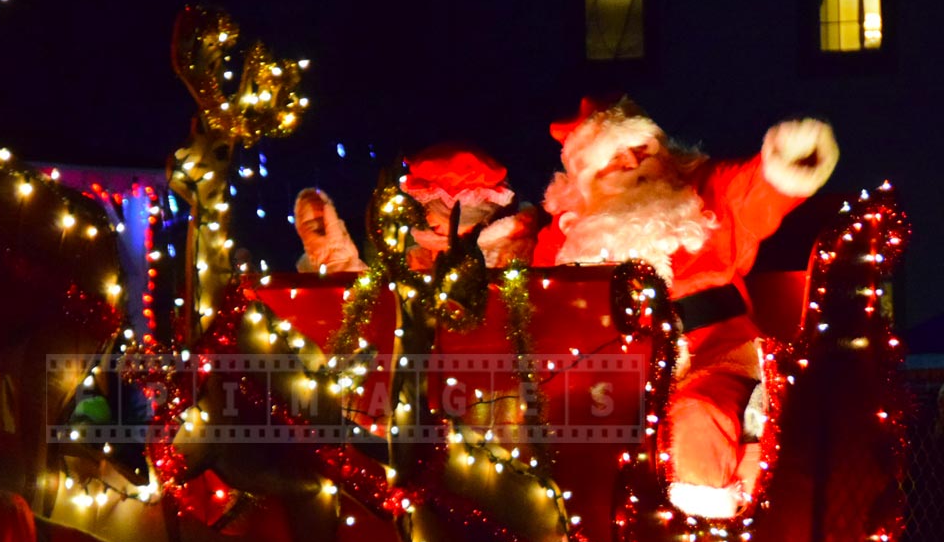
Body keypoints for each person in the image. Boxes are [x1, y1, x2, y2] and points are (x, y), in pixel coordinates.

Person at [535, 97, 839, 518]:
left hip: (716, 361)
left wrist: (785, 165)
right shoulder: (566, 238)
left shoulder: (704, 199)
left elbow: (753, 193)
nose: (633, 162)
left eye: (643, 150)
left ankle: (708, 535)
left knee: (696, 418)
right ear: (586, 180)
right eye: (614, 159)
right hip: (615, 386)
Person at [400, 143, 537, 271]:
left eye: (433, 210)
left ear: (469, 213)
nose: (428, 220)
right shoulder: (422, 255)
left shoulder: (507, 258)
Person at [292, 188, 367, 273]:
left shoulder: (335, 233)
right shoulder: (308, 252)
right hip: (352, 273)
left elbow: (332, 223)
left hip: (345, 272)